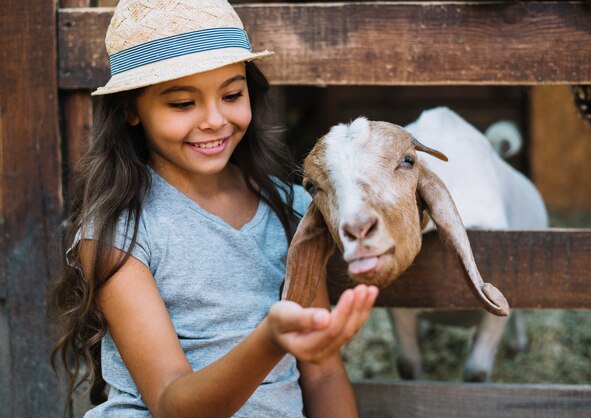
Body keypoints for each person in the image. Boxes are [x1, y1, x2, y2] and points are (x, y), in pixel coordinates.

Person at [50, 0, 378, 416]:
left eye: (231, 94)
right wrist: (269, 341)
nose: (214, 120)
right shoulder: (119, 230)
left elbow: (323, 373)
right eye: (183, 104)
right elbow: (172, 403)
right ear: (131, 109)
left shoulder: (291, 211)